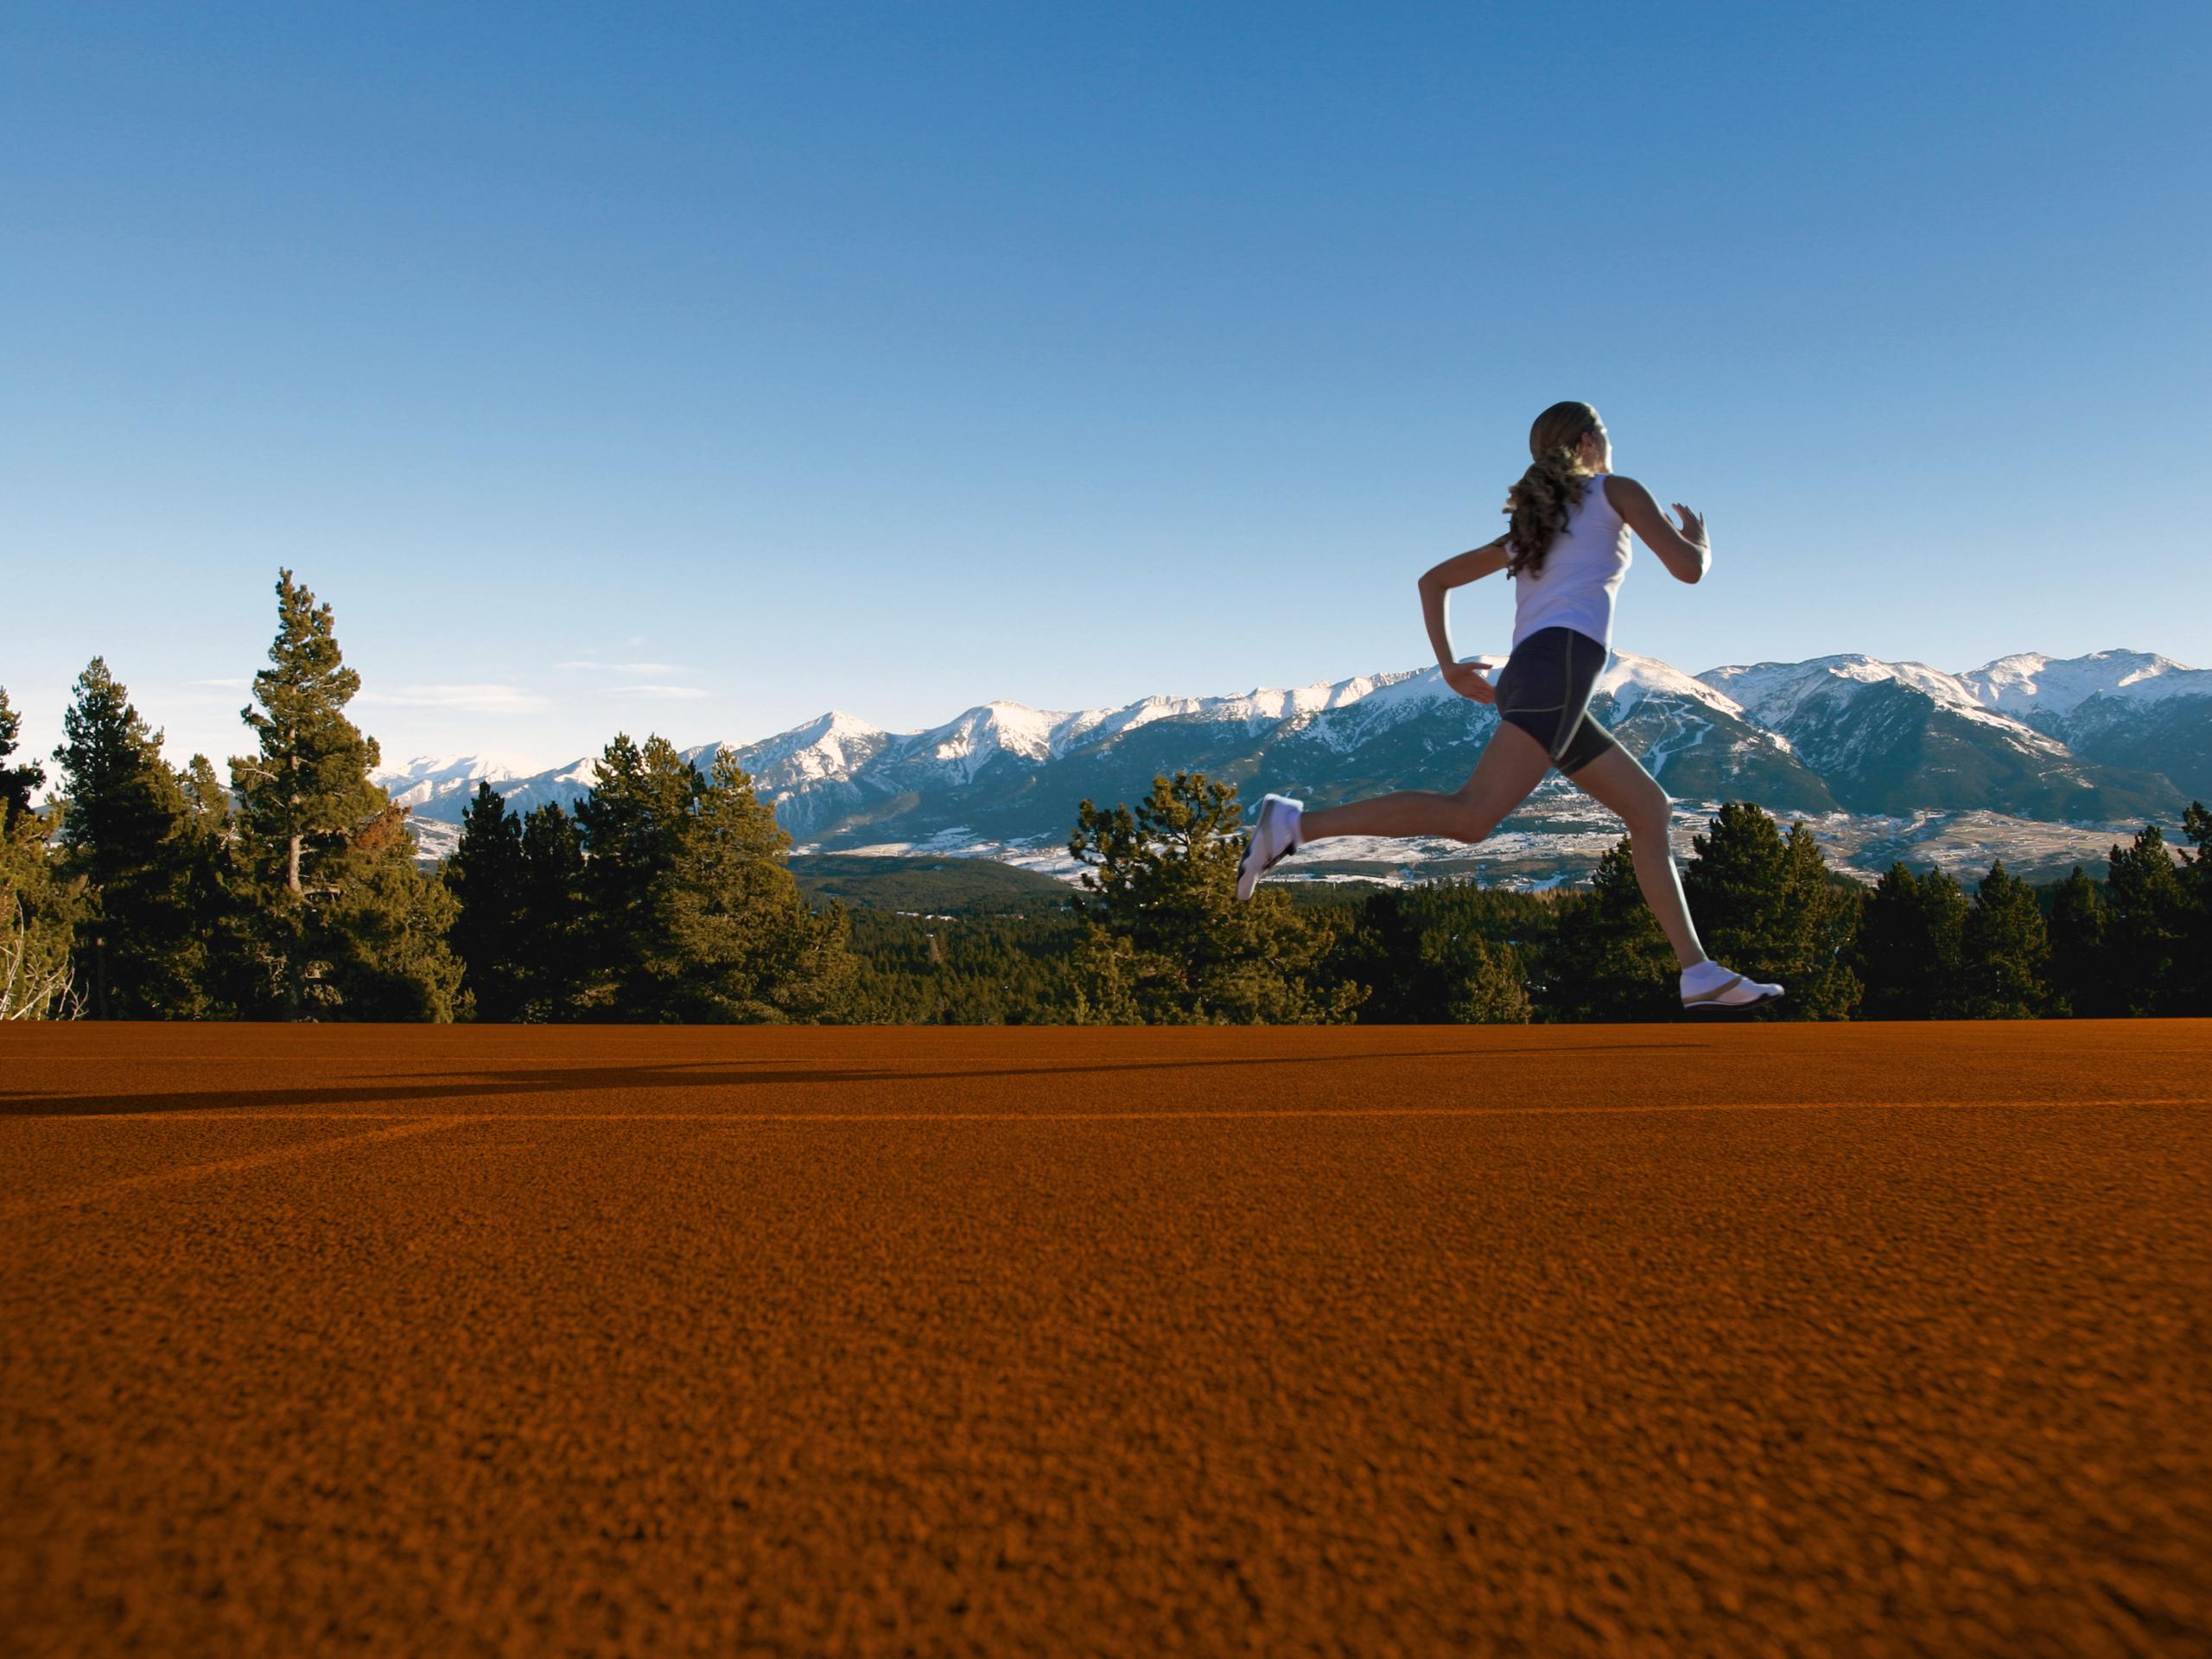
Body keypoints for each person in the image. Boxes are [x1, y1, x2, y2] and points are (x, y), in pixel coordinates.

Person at [1234, 400, 1783, 1014]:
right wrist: (1699, 541)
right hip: (1559, 670)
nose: (1611, 444)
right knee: (1472, 816)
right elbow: (1688, 571)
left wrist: (1449, 665)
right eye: (1605, 434)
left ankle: (1698, 972)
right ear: (1587, 441)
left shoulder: (1536, 525)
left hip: (1533, 674)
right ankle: (1294, 826)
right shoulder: (1617, 490)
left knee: (1649, 808)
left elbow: (1433, 581)